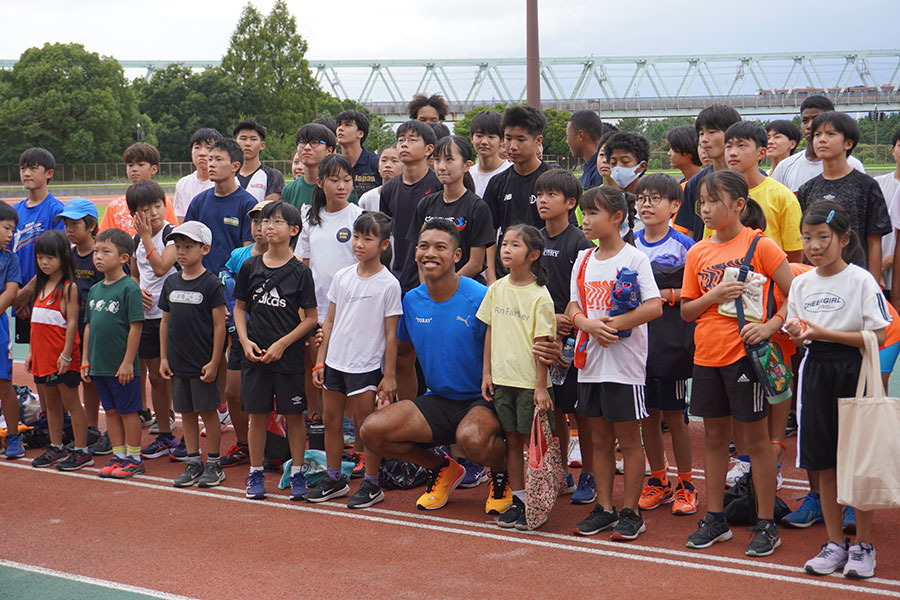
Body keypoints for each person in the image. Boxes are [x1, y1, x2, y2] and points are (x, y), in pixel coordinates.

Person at [360, 219, 510, 514]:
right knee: (372, 430)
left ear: (457, 256)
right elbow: (403, 354)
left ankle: (502, 472)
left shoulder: (480, 297)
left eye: (440, 247)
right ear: (415, 252)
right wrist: (392, 387)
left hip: (482, 402)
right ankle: (443, 468)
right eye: (424, 246)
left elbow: (506, 348)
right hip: (438, 400)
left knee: (472, 438)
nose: (430, 253)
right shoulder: (412, 301)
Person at [681, 170, 794, 556]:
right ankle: (716, 518)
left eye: (714, 201)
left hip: (745, 358)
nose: (706, 209)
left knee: (755, 442)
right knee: (714, 440)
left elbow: (797, 292)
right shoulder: (697, 251)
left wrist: (772, 326)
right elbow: (686, 311)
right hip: (706, 357)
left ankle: (766, 523)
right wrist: (714, 295)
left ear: (739, 205)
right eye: (701, 203)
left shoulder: (760, 245)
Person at [784, 202, 889, 579]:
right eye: (807, 237)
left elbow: (877, 335)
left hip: (854, 370)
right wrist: (798, 331)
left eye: (822, 238)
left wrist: (820, 332)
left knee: (856, 462)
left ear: (844, 239)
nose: (813, 245)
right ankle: (833, 543)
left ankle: (862, 544)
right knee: (823, 461)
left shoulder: (861, 280)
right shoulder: (801, 282)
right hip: (815, 372)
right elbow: (797, 326)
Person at [567, 187, 662, 541]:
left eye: (593, 213)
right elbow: (572, 307)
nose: (586, 220)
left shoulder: (634, 259)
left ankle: (630, 511)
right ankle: (604, 508)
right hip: (590, 363)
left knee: (628, 439)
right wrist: (587, 325)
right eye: (585, 214)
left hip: (624, 366)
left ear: (617, 217)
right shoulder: (583, 260)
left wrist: (613, 326)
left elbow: (654, 306)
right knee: (599, 440)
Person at [309, 212, 401, 508]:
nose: (359, 244)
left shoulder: (389, 284)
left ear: (384, 244)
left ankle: (372, 483)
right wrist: (321, 361)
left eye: (368, 239)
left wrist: (388, 375)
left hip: (366, 366)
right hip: (335, 362)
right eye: (356, 237)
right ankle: (334, 478)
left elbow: (391, 334)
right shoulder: (343, 276)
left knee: (366, 426)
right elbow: (330, 322)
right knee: (331, 421)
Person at [233, 201, 317, 501]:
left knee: (294, 416)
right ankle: (255, 473)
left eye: (278, 221)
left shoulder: (300, 272)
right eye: (265, 221)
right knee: (257, 416)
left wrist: (283, 343)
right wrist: (244, 341)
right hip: (254, 356)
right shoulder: (249, 266)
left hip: (288, 358)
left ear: (294, 230)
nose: (268, 226)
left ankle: (297, 473)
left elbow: (311, 319)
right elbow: (240, 308)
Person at [478, 225, 556, 530]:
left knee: (531, 444)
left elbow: (543, 346)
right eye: (504, 244)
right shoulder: (497, 289)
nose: (506, 249)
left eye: (515, 245)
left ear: (533, 255)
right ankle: (519, 500)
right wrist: (487, 372)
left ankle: (539, 502)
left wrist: (540, 386)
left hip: (528, 384)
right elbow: (490, 330)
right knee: (512, 441)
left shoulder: (540, 297)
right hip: (502, 380)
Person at [632, 174, 697, 516]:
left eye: (655, 198)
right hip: (635, 340)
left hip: (671, 340)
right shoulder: (629, 242)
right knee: (647, 415)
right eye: (642, 198)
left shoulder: (685, 245)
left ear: (674, 206)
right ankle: (659, 479)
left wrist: (665, 295)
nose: (646, 204)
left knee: (674, 415)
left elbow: (697, 291)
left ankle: (686, 483)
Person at [535, 169, 594, 503]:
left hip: (572, 339)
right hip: (544, 336)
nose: (543, 200)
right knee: (553, 409)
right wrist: (546, 321)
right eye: (540, 194)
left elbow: (585, 294)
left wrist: (567, 322)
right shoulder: (533, 239)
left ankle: (588, 473)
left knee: (581, 411)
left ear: (571, 203)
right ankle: (559, 471)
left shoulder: (580, 244)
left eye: (551, 195)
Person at [295, 154, 364, 436]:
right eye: (334, 180)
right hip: (317, 307)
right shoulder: (311, 218)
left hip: (349, 308)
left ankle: (346, 420)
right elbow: (303, 263)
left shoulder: (358, 216)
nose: (341, 186)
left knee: (345, 365)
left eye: (347, 180)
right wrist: (303, 307)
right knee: (315, 362)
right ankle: (318, 414)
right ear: (321, 183)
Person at [159, 221, 228, 488]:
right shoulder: (172, 282)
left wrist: (213, 361)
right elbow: (165, 322)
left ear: (205, 248)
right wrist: (164, 358)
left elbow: (219, 325)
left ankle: (213, 462)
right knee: (185, 413)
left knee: (207, 412)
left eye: (189, 246)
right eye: (178, 247)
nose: (182, 252)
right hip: (177, 362)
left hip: (202, 364)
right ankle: (192, 461)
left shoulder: (211, 284)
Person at [81, 228, 146, 479]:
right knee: (110, 411)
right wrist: (86, 359)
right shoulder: (96, 290)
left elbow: (135, 326)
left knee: (128, 411)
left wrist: (128, 362)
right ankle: (119, 455)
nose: (98, 256)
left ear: (123, 258)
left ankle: (134, 458)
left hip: (122, 366)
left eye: (106, 251)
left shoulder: (129, 288)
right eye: (96, 251)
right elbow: (89, 326)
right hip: (99, 364)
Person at [123, 181, 181, 460]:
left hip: (172, 317)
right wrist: (136, 288)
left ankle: (191, 434)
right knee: (156, 378)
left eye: (158, 206)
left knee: (180, 376)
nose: (154, 213)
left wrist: (146, 236)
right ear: (135, 214)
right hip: (147, 317)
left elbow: (160, 268)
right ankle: (167, 435)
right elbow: (135, 273)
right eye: (145, 210)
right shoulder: (135, 241)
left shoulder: (172, 234)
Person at [797, 112, 890, 282]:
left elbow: (874, 241)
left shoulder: (866, 185)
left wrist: (873, 283)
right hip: (817, 279)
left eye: (830, 134)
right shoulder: (807, 189)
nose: (822, 139)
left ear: (848, 143)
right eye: (817, 134)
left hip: (856, 277)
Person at [26, 231, 88, 470]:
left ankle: (82, 449)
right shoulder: (40, 287)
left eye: (50, 257)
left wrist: (65, 354)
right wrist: (32, 352)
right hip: (42, 357)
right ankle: (56, 446)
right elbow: (36, 324)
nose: (44, 262)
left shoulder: (68, 287)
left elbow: (72, 322)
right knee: (50, 405)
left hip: (62, 358)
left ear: (62, 257)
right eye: (40, 257)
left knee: (71, 403)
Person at [219, 201, 272, 469]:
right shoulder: (238, 255)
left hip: (270, 336)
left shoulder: (285, 258)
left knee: (268, 396)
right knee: (233, 391)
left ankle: (273, 447)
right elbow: (227, 285)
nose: (260, 227)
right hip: (241, 336)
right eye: (255, 221)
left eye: (266, 220)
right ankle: (243, 443)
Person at [57, 199, 110, 454]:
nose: (69, 229)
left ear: (91, 226)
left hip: (96, 326)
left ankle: (99, 429)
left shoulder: (100, 256)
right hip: (71, 326)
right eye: (66, 224)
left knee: (93, 379)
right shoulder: (68, 255)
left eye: (74, 224)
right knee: (75, 377)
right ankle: (85, 429)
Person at [408, 136, 494, 283]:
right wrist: (427, 287)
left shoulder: (477, 207)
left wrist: (447, 286)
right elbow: (420, 255)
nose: (441, 166)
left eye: (449, 159)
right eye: (437, 160)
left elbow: (475, 263)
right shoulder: (425, 204)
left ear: (466, 165)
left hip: (464, 289)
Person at [483, 106, 554, 282]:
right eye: (508, 138)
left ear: (538, 140)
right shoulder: (497, 183)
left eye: (521, 139)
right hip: (505, 276)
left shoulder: (553, 180)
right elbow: (489, 236)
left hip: (543, 275)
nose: (512, 146)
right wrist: (491, 277)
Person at [723, 121, 803, 262]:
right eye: (728, 146)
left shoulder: (782, 196)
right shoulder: (719, 196)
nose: (733, 153)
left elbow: (795, 254)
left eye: (741, 145)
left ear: (761, 153)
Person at [10, 148, 65, 345]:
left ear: (49, 173)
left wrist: (26, 293)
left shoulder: (57, 211)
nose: (26, 173)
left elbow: (59, 258)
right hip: (19, 300)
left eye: (33, 168)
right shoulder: (14, 212)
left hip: (47, 297)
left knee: (50, 358)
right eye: (22, 168)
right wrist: (15, 295)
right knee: (33, 363)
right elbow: (7, 256)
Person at [379, 120, 440, 294]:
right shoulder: (389, 189)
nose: (404, 144)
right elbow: (385, 235)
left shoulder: (439, 186)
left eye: (412, 140)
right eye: (400, 140)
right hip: (399, 278)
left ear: (428, 149)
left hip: (434, 277)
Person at [184, 139, 257, 276]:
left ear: (235, 166)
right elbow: (186, 243)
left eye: (218, 159)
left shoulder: (248, 204)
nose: (211, 164)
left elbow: (249, 250)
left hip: (232, 281)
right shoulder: (198, 201)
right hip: (201, 279)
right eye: (210, 159)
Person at [674, 105, 742, 240]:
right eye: (701, 133)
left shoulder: (753, 179)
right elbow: (690, 233)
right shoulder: (695, 183)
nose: (704, 139)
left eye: (711, 132)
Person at [771, 96, 866, 192]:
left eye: (816, 119)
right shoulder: (785, 167)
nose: (809, 126)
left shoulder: (852, 165)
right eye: (805, 121)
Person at [97, 143, 178, 235]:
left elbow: (172, 235)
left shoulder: (162, 203)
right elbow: (104, 237)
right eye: (130, 165)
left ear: (154, 169)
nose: (134, 169)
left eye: (140, 164)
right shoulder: (115, 206)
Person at [0, 203, 22, 459]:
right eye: (6, 228)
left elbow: (11, 290)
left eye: (13, 230)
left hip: (0, 329)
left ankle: (13, 436)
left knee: (5, 383)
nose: (10, 235)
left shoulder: (10, 258)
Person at [281, 123, 337, 215]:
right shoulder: (289, 190)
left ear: (329, 150)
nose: (307, 147)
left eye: (315, 143)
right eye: (302, 142)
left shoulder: (341, 188)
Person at [173, 128, 225, 224]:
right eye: (197, 147)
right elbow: (182, 222)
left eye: (208, 148)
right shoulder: (182, 184)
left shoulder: (227, 183)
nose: (202, 153)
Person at [233, 119, 284, 202]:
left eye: (253, 139)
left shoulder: (273, 175)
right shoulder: (227, 174)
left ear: (262, 145)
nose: (247, 143)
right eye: (243, 138)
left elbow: (270, 210)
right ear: (235, 143)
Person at [875, 129, 900, 295]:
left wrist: (890, 260)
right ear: (893, 150)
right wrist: (876, 268)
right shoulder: (876, 185)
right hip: (878, 277)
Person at [335, 110, 381, 198]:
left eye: (347, 125)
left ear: (360, 134)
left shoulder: (376, 164)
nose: (340, 128)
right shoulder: (330, 165)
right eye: (338, 125)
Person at [469, 111, 511, 198]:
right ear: (471, 138)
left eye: (491, 137)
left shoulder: (510, 173)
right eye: (479, 136)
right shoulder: (468, 174)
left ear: (502, 140)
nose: (484, 142)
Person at [566, 111, 606, 190]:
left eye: (568, 136)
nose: (567, 141)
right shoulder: (589, 167)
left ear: (580, 135)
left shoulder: (601, 171)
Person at [358, 145, 402, 212]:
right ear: (378, 166)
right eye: (384, 160)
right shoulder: (367, 198)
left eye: (394, 161)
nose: (388, 165)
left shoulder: (408, 196)